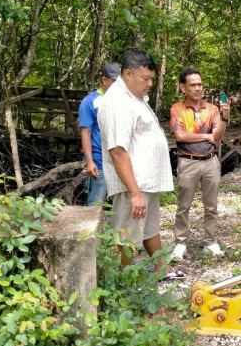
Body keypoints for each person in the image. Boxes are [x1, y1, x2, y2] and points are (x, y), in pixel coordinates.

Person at [98, 50, 184, 279]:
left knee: (148, 228)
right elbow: (117, 151)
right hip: (132, 184)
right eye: (145, 79)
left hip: (144, 181)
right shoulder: (117, 102)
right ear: (127, 74)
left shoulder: (133, 98)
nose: (149, 84)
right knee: (127, 235)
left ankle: (161, 268)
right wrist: (135, 193)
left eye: (152, 79)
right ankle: (122, 282)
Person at [169, 68, 231, 261]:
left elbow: (218, 137)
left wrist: (225, 117)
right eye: (192, 85)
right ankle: (180, 243)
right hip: (188, 161)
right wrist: (206, 136)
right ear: (183, 87)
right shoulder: (177, 108)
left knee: (211, 205)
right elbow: (180, 136)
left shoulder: (212, 109)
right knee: (183, 205)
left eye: (200, 84)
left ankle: (210, 242)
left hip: (211, 161)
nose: (197, 88)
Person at [78, 62, 120, 206]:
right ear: (104, 79)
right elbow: (85, 132)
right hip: (99, 161)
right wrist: (89, 161)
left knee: (121, 206)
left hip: (120, 161)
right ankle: (92, 229)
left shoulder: (122, 102)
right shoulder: (90, 101)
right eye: (114, 81)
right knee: (95, 206)